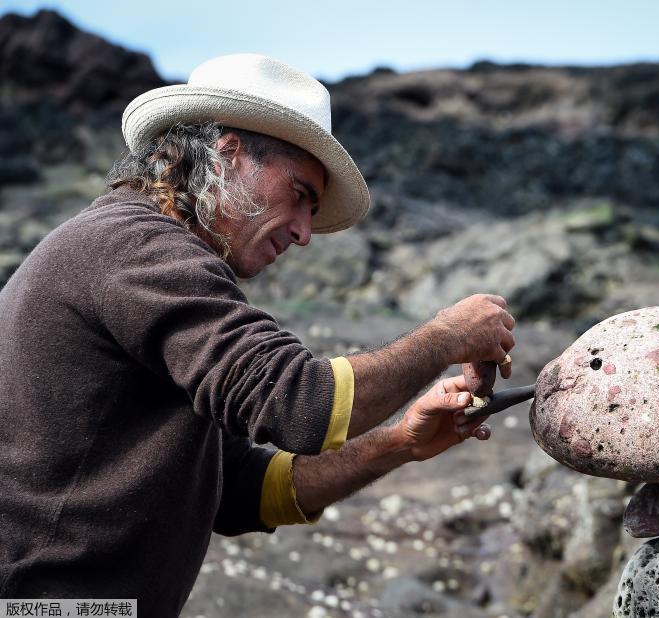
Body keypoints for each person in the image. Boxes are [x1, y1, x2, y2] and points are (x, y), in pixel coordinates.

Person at [0, 54, 515, 615]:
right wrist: (447, 335)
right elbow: (298, 404)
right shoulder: (135, 246)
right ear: (228, 152)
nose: (303, 233)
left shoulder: (142, 256)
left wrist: (398, 443)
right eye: (299, 195)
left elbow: (242, 490)